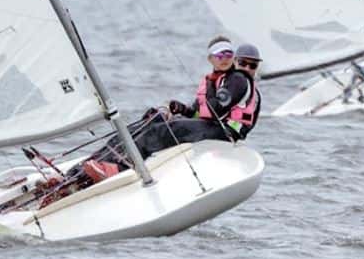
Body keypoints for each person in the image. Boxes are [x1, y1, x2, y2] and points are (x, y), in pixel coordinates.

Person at [98, 38, 258, 166]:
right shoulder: (218, 80)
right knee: (153, 118)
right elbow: (198, 112)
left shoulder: (239, 80)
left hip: (226, 132)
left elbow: (215, 111)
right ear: (211, 59)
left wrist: (210, 87)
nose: (247, 68)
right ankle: (100, 159)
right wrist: (182, 109)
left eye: (253, 65)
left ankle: (121, 165)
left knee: (162, 130)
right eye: (243, 63)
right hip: (210, 125)